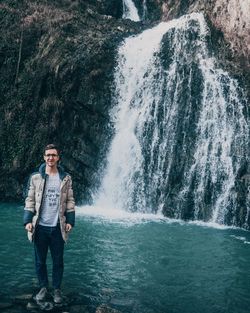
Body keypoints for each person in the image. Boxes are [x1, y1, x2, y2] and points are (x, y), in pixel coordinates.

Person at [23, 144, 75, 304]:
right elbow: (30, 200)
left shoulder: (65, 178)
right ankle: (43, 287)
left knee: (58, 261)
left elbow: (70, 200)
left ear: (58, 157)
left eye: (53, 155)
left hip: (58, 227)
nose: (50, 158)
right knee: (40, 261)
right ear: (44, 157)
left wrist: (70, 221)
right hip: (40, 227)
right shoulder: (36, 178)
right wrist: (27, 221)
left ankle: (57, 289)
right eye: (48, 155)